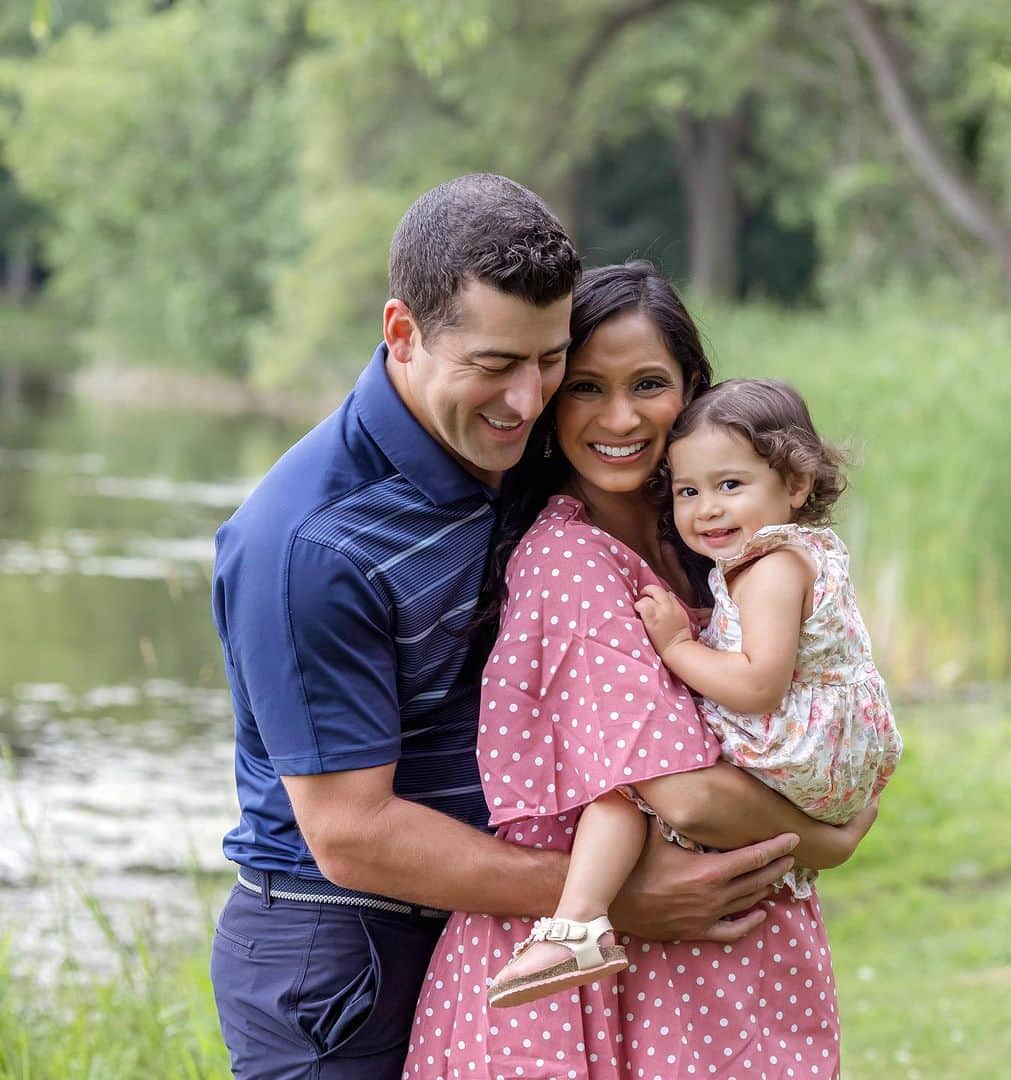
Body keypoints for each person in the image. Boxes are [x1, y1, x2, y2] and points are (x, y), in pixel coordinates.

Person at [208, 181, 844, 1080]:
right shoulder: (309, 541)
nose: (527, 397)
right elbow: (349, 834)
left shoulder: (529, 468)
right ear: (403, 334)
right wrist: (612, 899)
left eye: (549, 363)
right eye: (497, 364)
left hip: (489, 912)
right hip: (343, 944)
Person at [403, 261, 875, 1079]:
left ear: (692, 388)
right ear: (550, 399)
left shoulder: (714, 541)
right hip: (590, 978)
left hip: (713, 956)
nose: (618, 417)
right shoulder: (569, 560)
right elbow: (683, 792)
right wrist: (825, 840)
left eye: (648, 383)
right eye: (585, 387)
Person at [636, 379, 903, 898]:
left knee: (634, 780)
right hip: (834, 749)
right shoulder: (795, 554)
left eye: (730, 485)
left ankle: (585, 913)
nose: (707, 508)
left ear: (796, 485)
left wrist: (676, 648)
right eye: (688, 491)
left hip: (798, 748)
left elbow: (760, 686)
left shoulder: (772, 570)